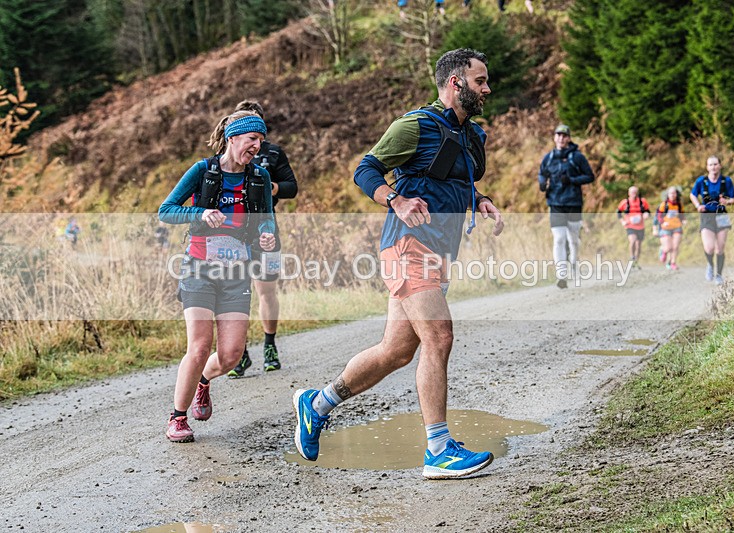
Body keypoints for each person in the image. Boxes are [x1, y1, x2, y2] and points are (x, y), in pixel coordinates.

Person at [292, 48, 504, 479]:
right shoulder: (415, 126)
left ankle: (316, 404)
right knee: (439, 336)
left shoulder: (471, 135)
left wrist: (480, 201)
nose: (487, 88)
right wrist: (397, 199)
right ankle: (439, 449)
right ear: (454, 83)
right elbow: (366, 169)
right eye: (480, 81)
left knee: (396, 351)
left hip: (440, 253)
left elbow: (453, 183)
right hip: (407, 245)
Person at [159, 110, 276, 443]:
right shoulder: (202, 171)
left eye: (260, 141)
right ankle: (177, 418)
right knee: (198, 347)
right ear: (233, 138)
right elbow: (166, 210)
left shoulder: (259, 177)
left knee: (231, 356)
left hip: (237, 271)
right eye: (252, 139)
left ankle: (203, 382)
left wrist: (267, 235)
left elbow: (266, 219)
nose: (257, 146)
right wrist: (200, 212)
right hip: (199, 267)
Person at [227, 100, 298, 378]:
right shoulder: (226, 156)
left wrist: (268, 185)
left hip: (265, 230)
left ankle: (269, 345)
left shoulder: (273, 153)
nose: (254, 139)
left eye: (257, 128)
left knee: (265, 290)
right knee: (236, 292)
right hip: (231, 233)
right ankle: (240, 352)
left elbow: (292, 187)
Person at [537, 124, 595, 289]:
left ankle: (574, 262)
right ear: (554, 137)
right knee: (559, 239)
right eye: (558, 135)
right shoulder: (548, 158)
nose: (561, 138)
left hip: (573, 203)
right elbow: (542, 173)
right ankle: (561, 275)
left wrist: (572, 180)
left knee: (573, 239)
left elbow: (590, 176)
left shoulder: (577, 157)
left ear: (568, 138)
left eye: (564, 135)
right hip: (555, 203)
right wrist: (542, 183)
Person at [689, 155, 734, 285]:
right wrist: (698, 205)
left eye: (715, 164)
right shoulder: (701, 181)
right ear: (707, 167)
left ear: (720, 166)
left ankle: (719, 275)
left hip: (722, 216)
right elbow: (692, 194)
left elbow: (733, 199)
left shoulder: (726, 181)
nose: (713, 167)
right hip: (707, 216)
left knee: (719, 249)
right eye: (710, 165)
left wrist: (726, 201)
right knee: (709, 248)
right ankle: (710, 264)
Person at [616, 186, 650, 269]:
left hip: (640, 226)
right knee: (633, 241)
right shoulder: (625, 202)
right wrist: (622, 221)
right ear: (628, 193)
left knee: (638, 245)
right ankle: (632, 257)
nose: (634, 194)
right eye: (632, 192)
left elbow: (648, 211)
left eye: (635, 192)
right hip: (630, 226)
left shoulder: (642, 202)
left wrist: (646, 214)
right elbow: (618, 213)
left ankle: (636, 261)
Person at [653, 185, 685, 271]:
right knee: (668, 247)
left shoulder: (679, 204)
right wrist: (663, 222)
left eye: (674, 193)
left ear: (676, 194)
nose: (672, 195)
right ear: (668, 194)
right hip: (665, 228)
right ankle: (663, 251)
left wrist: (683, 220)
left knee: (675, 246)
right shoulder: (664, 205)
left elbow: (682, 215)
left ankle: (673, 263)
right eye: (671, 193)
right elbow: (658, 216)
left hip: (677, 227)